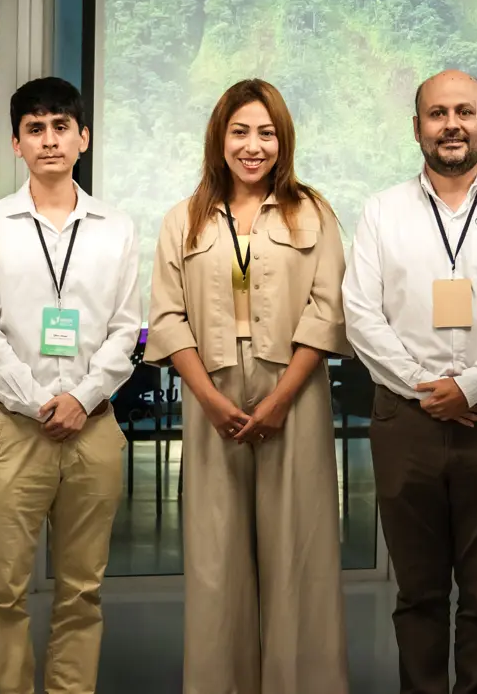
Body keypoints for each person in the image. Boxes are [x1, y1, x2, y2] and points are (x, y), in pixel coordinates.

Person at [342, 70, 477, 694]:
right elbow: (361, 313)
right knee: (419, 592)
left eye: (465, 111)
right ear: (417, 128)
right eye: (437, 114)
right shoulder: (383, 211)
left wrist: (474, 385)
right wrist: (425, 388)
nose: (452, 124)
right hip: (406, 421)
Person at [146, 78, 351, 694]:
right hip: (211, 393)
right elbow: (165, 315)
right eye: (240, 132)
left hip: (295, 391)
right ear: (220, 137)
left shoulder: (313, 211)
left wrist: (283, 398)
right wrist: (207, 399)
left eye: (266, 132)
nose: (252, 145)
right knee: (215, 563)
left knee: (299, 556)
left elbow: (327, 308)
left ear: (282, 140)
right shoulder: (183, 218)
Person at [0, 77, 140, 694]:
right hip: (16, 428)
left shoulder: (116, 227)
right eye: (35, 128)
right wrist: (40, 402)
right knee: (6, 589)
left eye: (62, 126)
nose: (50, 139)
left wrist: (82, 398)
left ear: (83, 137)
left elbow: (126, 330)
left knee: (83, 588)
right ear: (17, 143)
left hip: (92, 428)